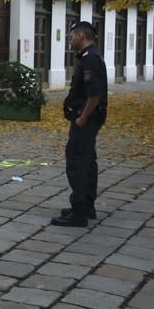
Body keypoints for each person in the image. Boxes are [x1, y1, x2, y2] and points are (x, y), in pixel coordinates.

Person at [51, 20, 107, 227]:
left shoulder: (90, 59)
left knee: (78, 163)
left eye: (72, 35)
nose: (71, 39)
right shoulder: (89, 57)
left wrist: (82, 118)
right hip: (88, 118)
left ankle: (79, 213)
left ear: (81, 35)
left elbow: (94, 93)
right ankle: (86, 206)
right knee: (88, 161)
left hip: (86, 119)